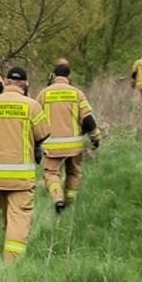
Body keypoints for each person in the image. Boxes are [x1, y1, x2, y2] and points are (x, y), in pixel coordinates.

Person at [0, 66, 50, 261]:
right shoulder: (31, 106)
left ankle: (6, 252)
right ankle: (11, 264)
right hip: (21, 177)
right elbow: (43, 134)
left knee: (9, 217)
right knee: (19, 218)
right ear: (25, 83)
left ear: (6, 82)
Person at [37, 59, 102, 213]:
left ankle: (58, 199)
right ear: (69, 76)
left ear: (53, 76)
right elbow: (87, 119)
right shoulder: (76, 93)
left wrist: (35, 143)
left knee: (52, 174)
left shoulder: (43, 94)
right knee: (73, 172)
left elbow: (35, 120)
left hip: (51, 146)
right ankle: (70, 202)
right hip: (74, 146)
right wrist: (95, 138)